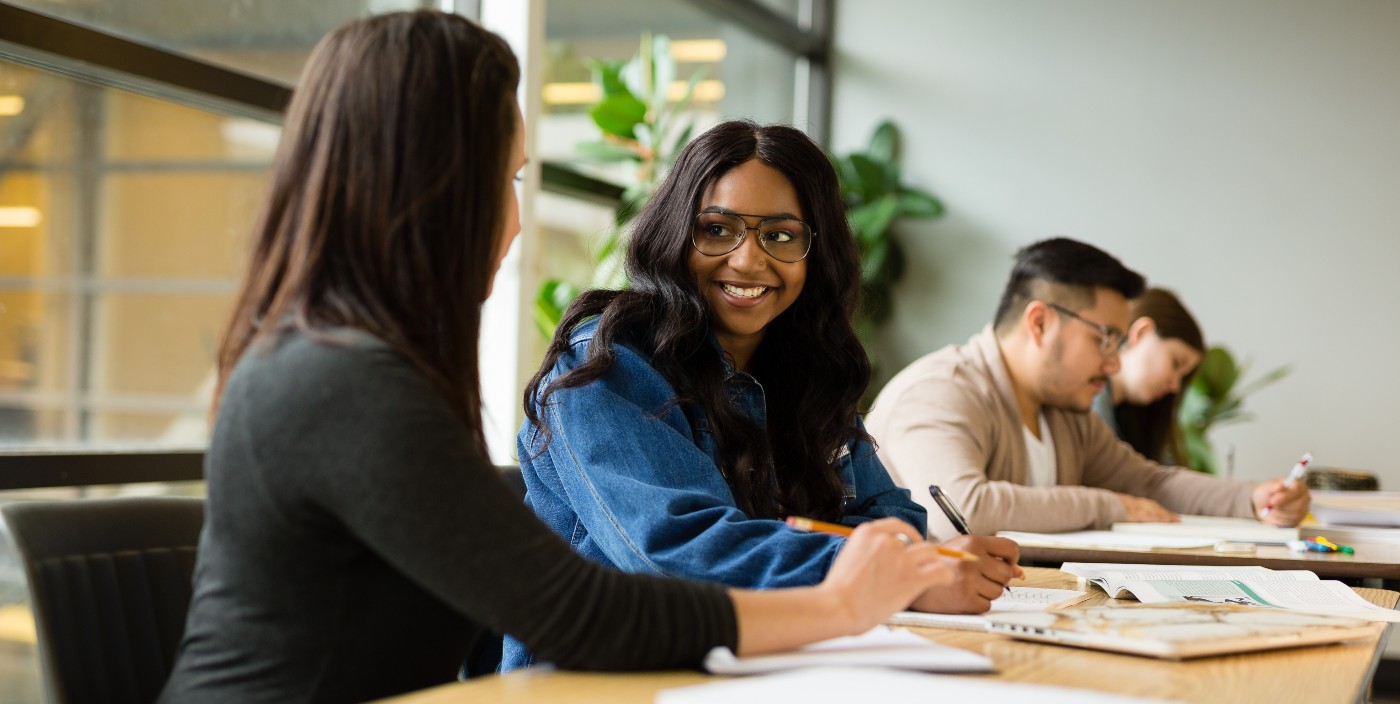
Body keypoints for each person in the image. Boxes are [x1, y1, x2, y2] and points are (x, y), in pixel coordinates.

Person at [158, 12, 965, 702]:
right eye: (502, 179)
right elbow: (582, 610)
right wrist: (847, 598)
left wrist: (880, 575)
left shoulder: (356, 363)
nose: (514, 223)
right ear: (427, 184)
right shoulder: (338, 383)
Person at [506, 119, 1020, 671]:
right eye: (717, 230)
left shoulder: (806, 371)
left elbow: (887, 514)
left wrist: (908, 563)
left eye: (779, 235)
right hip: (599, 682)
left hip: (774, 666)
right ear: (678, 232)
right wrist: (904, 573)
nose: (749, 260)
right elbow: (680, 551)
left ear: (813, 253)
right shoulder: (608, 360)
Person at [865, 238, 1309, 534]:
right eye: (1105, 339)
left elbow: (1148, 485)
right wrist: (1106, 505)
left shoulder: (1064, 411)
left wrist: (1253, 498)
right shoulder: (941, 390)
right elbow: (961, 511)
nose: (1115, 361)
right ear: (1040, 322)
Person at [1090, 288, 1205, 464]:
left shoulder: (1137, 426)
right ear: (1142, 333)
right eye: (1176, 363)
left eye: (1182, 377)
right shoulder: (1087, 400)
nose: (1175, 385)